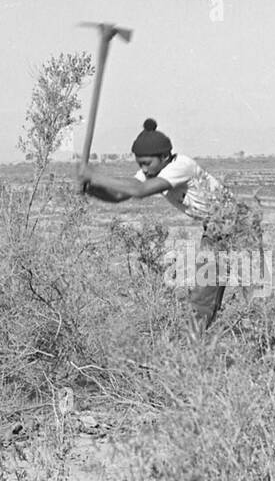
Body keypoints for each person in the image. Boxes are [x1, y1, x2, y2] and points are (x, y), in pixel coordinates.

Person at [75, 119, 264, 337]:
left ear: (164, 157)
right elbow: (120, 195)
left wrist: (93, 175)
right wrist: (91, 190)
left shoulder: (181, 166)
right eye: (139, 164)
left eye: (146, 163)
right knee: (202, 300)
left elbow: (140, 191)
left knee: (255, 294)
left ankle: (267, 347)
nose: (143, 169)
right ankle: (196, 354)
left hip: (240, 226)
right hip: (214, 231)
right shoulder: (152, 173)